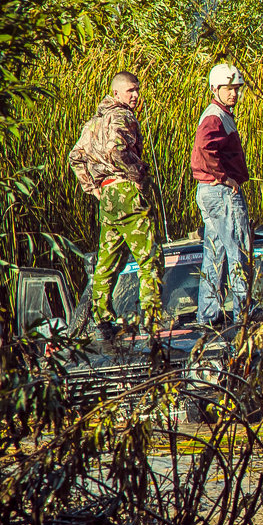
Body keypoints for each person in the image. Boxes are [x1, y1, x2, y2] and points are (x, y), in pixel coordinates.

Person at [68, 70, 162, 338]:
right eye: (131, 90)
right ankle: (151, 318)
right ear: (116, 93)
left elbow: (75, 157)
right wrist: (138, 173)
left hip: (108, 198)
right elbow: (116, 150)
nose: (135, 96)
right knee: (149, 257)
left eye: (137, 90)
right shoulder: (121, 115)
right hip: (126, 192)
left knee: (108, 259)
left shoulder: (93, 123)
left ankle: (101, 317)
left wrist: (93, 187)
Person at [190, 63, 250, 328]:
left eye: (236, 88)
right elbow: (204, 148)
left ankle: (208, 315)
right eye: (228, 88)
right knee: (240, 249)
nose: (234, 94)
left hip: (208, 192)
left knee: (214, 254)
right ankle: (243, 315)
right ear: (215, 88)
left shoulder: (217, 114)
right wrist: (225, 178)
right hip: (221, 192)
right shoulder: (215, 116)